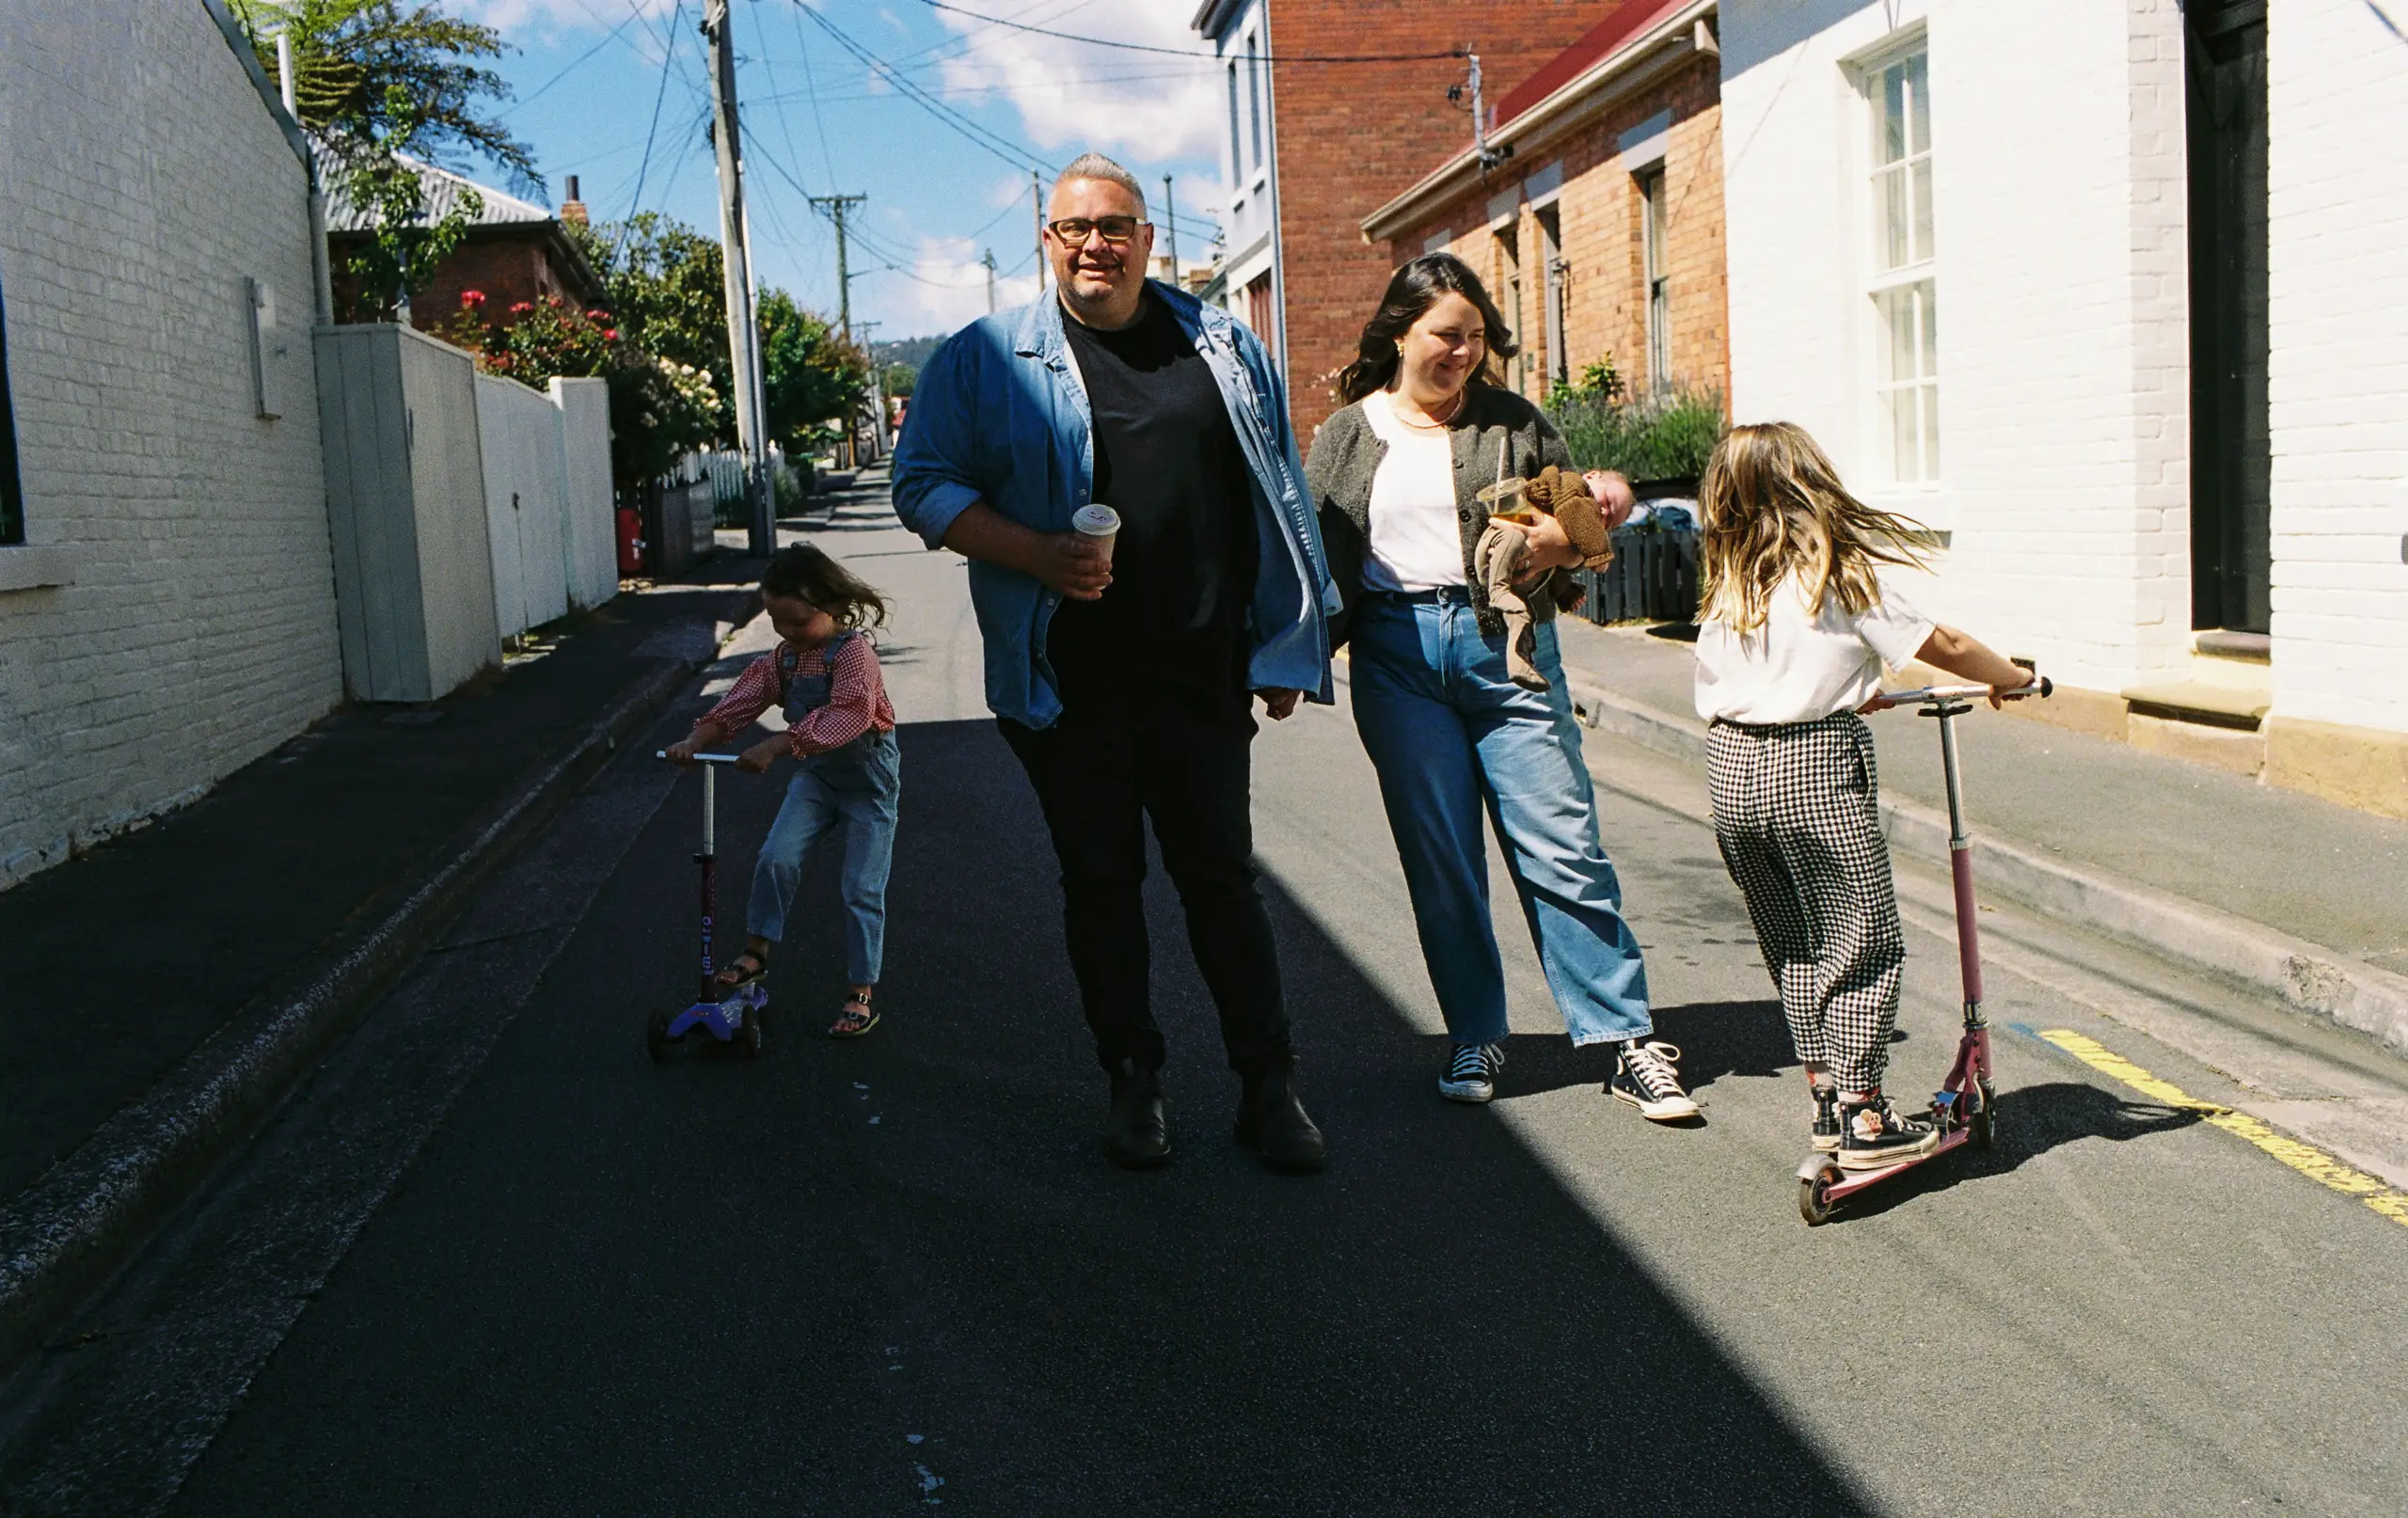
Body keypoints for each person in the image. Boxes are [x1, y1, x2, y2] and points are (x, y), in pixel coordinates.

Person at [890, 152, 1339, 1174]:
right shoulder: (985, 357)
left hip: (1200, 671)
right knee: (1100, 883)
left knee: (1221, 882)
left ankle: (1268, 1087)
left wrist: (1283, 640)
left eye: (1115, 225)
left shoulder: (1221, 342)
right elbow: (920, 485)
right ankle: (1132, 1081)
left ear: (1147, 238)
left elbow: (1275, 494)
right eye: (1074, 227)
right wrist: (1034, 551)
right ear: (1047, 242)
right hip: (1067, 681)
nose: (1096, 243)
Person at [1304, 253, 1698, 1121]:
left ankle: (1624, 1036)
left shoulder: (1513, 421)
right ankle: (1477, 1033)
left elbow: (1587, 529)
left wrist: (1583, 520)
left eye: (1478, 338)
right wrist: (1289, 662)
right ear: (1399, 332)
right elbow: (1320, 562)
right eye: (1448, 335)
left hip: (1509, 648)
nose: (1464, 355)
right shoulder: (1344, 435)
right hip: (1396, 651)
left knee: (1562, 845)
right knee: (1441, 859)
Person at [1691, 421, 2039, 1168]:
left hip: (1730, 768)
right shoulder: (1839, 573)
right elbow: (1938, 645)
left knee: (1794, 937)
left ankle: (1826, 1090)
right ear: (1809, 484)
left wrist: (1858, 687)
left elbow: (1785, 668)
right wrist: (2009, 676)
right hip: (1810, 763)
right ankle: (1864, 1114)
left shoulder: (1731, 580)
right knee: (1862, 935)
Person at [666, 545, 900, 1039]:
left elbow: (850, 715)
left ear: (833, 607)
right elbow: (738, 704)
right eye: (777, 622)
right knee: (776, 857)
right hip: (817, 777)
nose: (788, 634)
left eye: (798, 623)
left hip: (868, 785)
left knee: (861, 889)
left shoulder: (854, 653)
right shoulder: (785, 660)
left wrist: (778, 744)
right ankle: (756, 951)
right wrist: (695, 741)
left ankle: (861, 991)